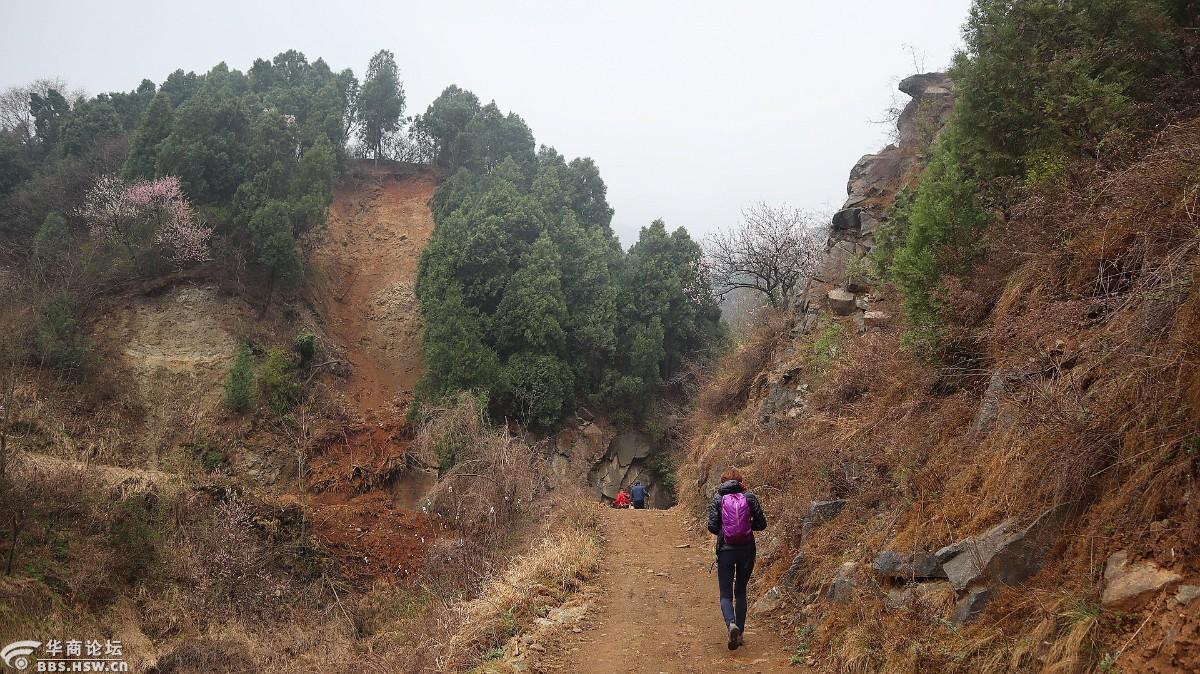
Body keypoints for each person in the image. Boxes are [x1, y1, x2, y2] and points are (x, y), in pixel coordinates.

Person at [706, 467, 767, 651]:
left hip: (726, 550)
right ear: (740, 482)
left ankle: (731, 624)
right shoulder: (749, 497)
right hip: (747, 550)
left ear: (723, 482)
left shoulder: (718, 498)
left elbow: (712, 526)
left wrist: (726, 532)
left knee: (725, 593)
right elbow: (761, 524)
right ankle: (739, 633)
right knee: (740, 591)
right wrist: (746, 527)